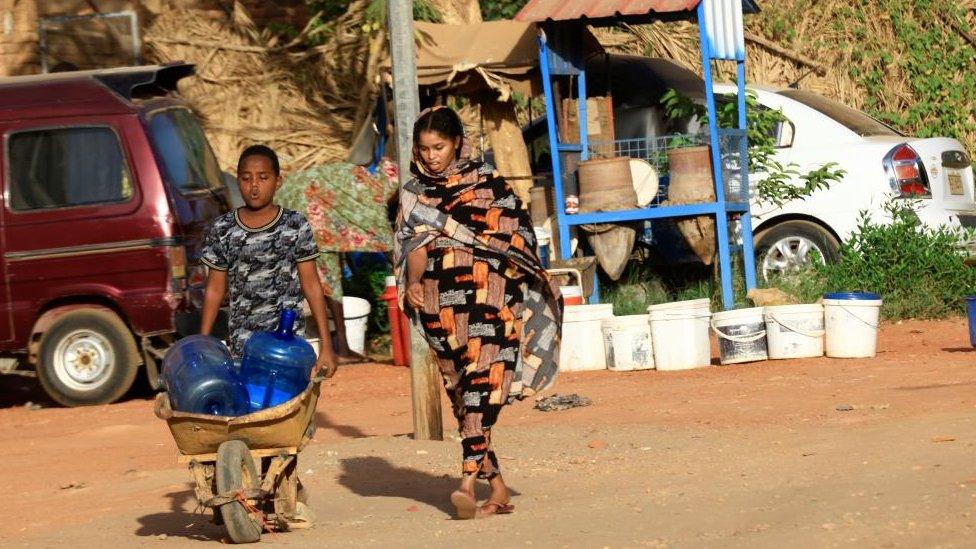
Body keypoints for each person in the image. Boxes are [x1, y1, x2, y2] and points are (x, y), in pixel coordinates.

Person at [394, 107, 562, 519]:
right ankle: (499, 490)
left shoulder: (489, 185)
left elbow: (518, 239)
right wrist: (414, 283)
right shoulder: (414, 194)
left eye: (440, 146)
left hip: (491, 301)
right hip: (440, 308)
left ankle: (467, 479)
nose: (432, 155)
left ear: (457, 144)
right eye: (424, 148)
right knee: (462, 397)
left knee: (481, 384)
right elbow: (414, 247)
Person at [199, 144, 337, 377]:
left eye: (263, 178)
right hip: (244, 348)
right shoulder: (223, 229)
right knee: (250, 409)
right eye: (246, 178)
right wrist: (201, 343)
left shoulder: (294, 224)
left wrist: (326, 346)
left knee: (290, 407)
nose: (254, 186)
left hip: (288, 344)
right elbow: (215, 290)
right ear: (238, 181)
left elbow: (312, 285)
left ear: (277, 181)